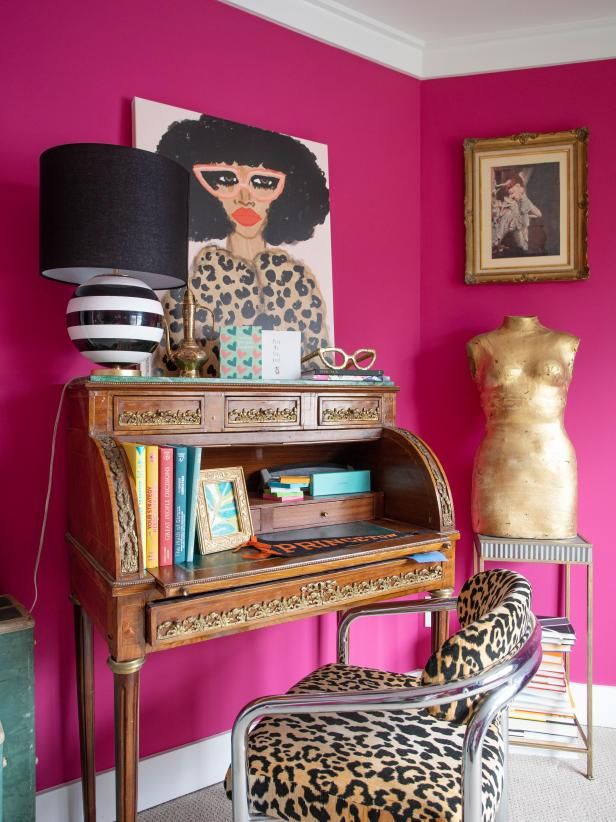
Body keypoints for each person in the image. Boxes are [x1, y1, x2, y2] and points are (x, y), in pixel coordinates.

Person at [151, 115, 331, 376]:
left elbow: (318, 370)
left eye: (264, 182)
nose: (245, 197)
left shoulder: (299, 285)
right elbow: (169, 379)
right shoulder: (191, 291)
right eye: (225, 180)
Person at [467, 315, 579, 539]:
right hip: (499, 459)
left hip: (553, 460)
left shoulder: (566, 343)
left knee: (562, 539)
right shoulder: (480, 345)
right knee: (491, 537)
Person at [492, 174, 542, 256]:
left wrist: (525, 216)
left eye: (510, 187)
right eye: (507, 188)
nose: (508, 190)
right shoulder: (509, 201)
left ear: (518, 186)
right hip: (507, 238)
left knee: (520, 247)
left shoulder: (524, 200)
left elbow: (538, 214)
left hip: (519, 239)